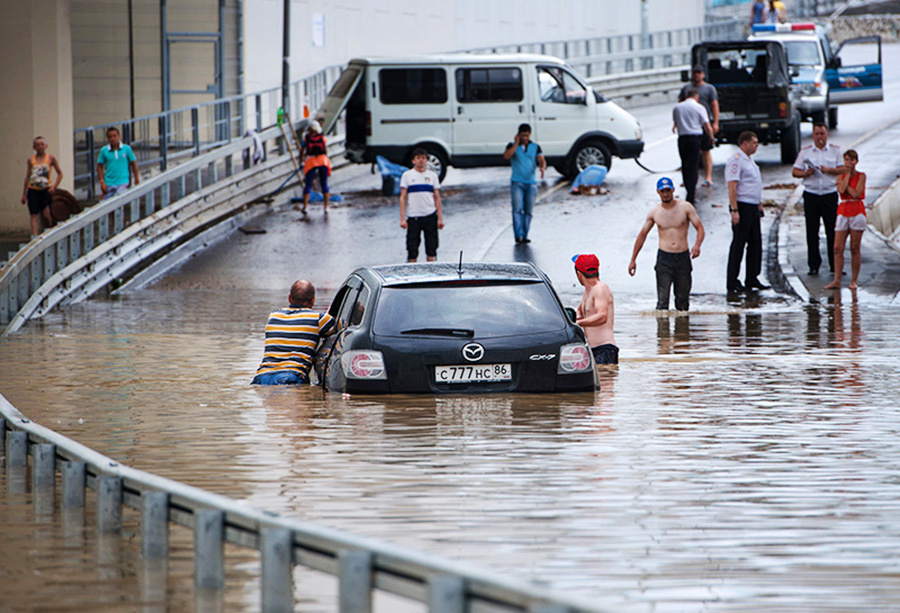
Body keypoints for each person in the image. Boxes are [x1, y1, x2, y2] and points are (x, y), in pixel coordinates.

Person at [628, 177, 705, 311]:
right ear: (658, 192)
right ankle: (662, 326)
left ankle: (682, 325)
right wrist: (633, 259)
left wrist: (697, 245)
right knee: (662, 303)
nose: (666, 194)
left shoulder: (685, 207)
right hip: (664, 258)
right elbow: (642, 235)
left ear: (673, 190)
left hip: (682, 257)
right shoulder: (655, 212)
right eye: (663, 191)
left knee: (682, 303)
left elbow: (700, 228)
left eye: (668, 190)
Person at [252, 279, 336, 385]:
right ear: (313, 300)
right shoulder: (319, 319)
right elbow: (342, 329)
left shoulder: (273, 316)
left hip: (262, 377)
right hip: (291, 378)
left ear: (289, 298)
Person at [792, 122, 845, 276]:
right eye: (817, 134)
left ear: (827, 134)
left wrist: (829, 170)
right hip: (812, 194)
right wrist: (806, 173)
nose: (820, 137)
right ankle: (813, 265)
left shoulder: (835, 150)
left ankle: (835, 265)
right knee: (812, 231)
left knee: (832, 230)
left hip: (829, 194)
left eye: (822, 133)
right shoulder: (806, 152)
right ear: (813, 135)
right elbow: (795, 171)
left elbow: (843, 168)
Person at [726, 131, 769, 293]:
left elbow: (753, 184)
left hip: (752, 206)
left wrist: (758, 204)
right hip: (742, 206)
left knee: (755, 244)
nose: (757, 145)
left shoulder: (749, 160)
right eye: (754, 142)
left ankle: (752, 278)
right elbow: (732, 186)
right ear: (745, 143)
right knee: (739, 244)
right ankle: (732, 281)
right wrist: (734, 210)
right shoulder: (736, 160)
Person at [825, 150, 866, 290]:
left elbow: (856, 193)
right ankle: (836, 280)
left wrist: (845, 183)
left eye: (851, 160)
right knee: (837, 248)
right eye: (847, 160)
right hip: (843, 211)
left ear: (856, 162)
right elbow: (841, 191)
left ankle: (854, 280)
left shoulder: (861, 176)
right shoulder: (840, 176)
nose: (849, 163)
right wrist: (846, 176)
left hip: (857, 210)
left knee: (854, 247)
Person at [502, 123, 546, 244]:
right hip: (517, 182)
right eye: (522, 135)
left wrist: (542, 167)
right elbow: (506, 156)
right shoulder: (512, 146)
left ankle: (525, 234)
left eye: (526, 135)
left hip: (531, 182)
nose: (524, 138)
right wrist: (516, 143)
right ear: (518, 135)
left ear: (529, 134)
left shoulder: (535, 147)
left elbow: (541, 159)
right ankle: (518, 235)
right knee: (517, 209)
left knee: (528, 210)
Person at [399, 147, 444, 262]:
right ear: (413, 160)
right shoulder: (407, 175)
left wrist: (440, 218)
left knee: (431, 249)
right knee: (412, 249)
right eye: (418, 158)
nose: (421, 160)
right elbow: (403, 197)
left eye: (423, 158)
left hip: (430, 215)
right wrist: (402, 218)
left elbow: (437, 197)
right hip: (414, 217)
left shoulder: (432, 176)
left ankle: (431, 271)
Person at [572, 254, 618, 365]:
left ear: (579, 274)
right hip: (591, 350)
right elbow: (580, 312)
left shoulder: (600, 288)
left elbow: (602, 316)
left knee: (604, 376)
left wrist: (578, 323)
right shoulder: (588, 290)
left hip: (605, 349)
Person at [680, 65, 719, 187]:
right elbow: (680, 106)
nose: (697, 75)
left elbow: (714, 105)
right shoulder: (686, 88)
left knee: (706, 150)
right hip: (690, 125)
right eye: (695, 72)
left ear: (703, 74)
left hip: (704, 123)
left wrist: (715, 122)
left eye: (699, 72)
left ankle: (708, 177)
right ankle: (688, 178)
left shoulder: (709, 89)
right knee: (688, 154)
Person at [672, 90, 714, 205]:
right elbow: (706, 125)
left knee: (685, 164)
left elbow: (675, 123)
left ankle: (687, 186)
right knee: (693, 165)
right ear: (697, 97)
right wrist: (711, 137)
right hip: (695, 138)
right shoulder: (699, 107)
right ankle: (691, 192)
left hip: (682, 138)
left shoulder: (677, 107)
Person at [21, 136, 63, 237]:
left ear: (46, 146)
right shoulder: (31, 160)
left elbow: (60, 173)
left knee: (46, 214)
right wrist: (24, 194)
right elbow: (28, 177)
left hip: (45, 189)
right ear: (34, 147)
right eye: (37, 145)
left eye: (42, 144)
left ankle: (49, 231)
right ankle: (34, 236)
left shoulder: (50, 158)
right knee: (33, 214)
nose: (40, 147)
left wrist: (54, 186)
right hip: (33, 189)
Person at [96, 127, 139, 199]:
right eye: (110, 137)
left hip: (123, 183)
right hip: (109, 183)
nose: (112, 139)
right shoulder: (104, 150)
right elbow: (99, 166)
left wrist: (136, 178)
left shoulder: (126, 149)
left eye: (114, 136)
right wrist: (102, 181)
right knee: (107, 203)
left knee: (120, 201)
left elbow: (133, 164)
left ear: (119, 136)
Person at [299, 119, 331, 214]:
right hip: (323, 161)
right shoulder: (323, 138)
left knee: (308, 184)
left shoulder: (306, 138)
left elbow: (302, 150)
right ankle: (326, 206)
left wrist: (301, 160)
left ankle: (305, 206)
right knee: (324, 184)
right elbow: (326, 150)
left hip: (310, 161)